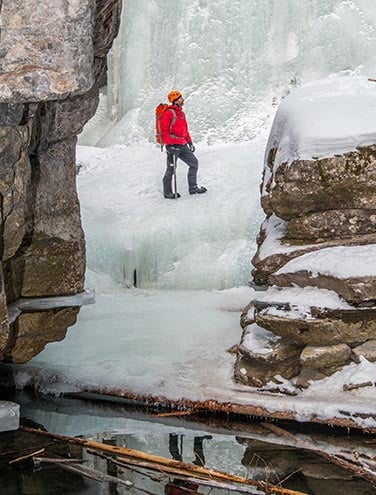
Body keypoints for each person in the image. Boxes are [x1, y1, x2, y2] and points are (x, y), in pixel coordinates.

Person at [161, 90, 207, 199]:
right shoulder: (169, 113)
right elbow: (164, 131)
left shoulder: (181, 113)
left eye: (181, 98)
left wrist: (190, 142)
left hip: (182, 145)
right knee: (171, 169)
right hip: (173, 145)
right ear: (175, 101)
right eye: (180, 98)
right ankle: (167, 192)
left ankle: (193, 188)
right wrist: (169, 145)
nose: (182, 100)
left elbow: (185, 130)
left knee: (194, 163)